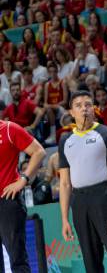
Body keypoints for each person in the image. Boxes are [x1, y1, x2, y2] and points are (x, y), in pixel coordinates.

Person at [58, 90, 107, 273]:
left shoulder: (106, 134)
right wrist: (64, 219)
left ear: (94, 109)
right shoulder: (65, 140)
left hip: (104, 197)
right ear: (71, 112)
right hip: (79, 201)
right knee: (90, 257)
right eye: (79, 105)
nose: (84, 109)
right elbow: (65, 183)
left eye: (88, 104)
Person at [0, 117, 45, 273]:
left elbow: (39, 151)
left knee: (17, 258)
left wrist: (23, 180)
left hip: (7, 201)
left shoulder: (8, 129)